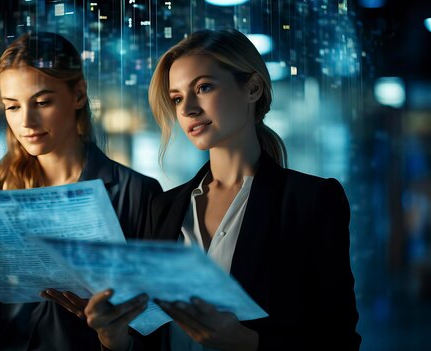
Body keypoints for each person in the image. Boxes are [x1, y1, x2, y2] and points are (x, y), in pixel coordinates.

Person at [84, 29, 361, 351]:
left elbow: (340, 339)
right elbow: (151, 338)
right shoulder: (163, 206)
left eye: (203, 87)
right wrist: (114, 340)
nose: (187, 109)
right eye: (176, 98)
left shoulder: (310, 200)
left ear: (253, 88)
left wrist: (248, 343)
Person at [0, 31, 162, 350]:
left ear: (78, 95)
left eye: (42, 102)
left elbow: (152, 331)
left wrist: (113, 336)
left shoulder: (138, 194)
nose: (26, 121)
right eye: (12, 107)